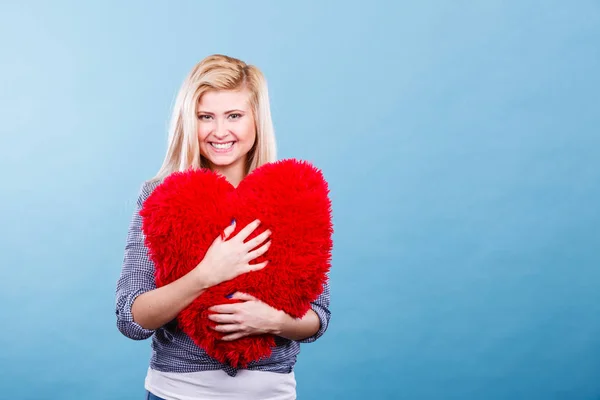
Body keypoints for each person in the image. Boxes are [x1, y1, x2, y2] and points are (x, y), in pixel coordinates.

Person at [114, 54, 331, 400]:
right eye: (205, 117)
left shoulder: (291, 194)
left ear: (256, 120)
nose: (219, 131)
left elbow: (318, 315)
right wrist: (205, 275)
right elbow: (130, 317)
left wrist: (271, 320)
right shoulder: (161, 195)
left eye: (234, 116)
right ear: (190, 121)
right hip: (177, 393)